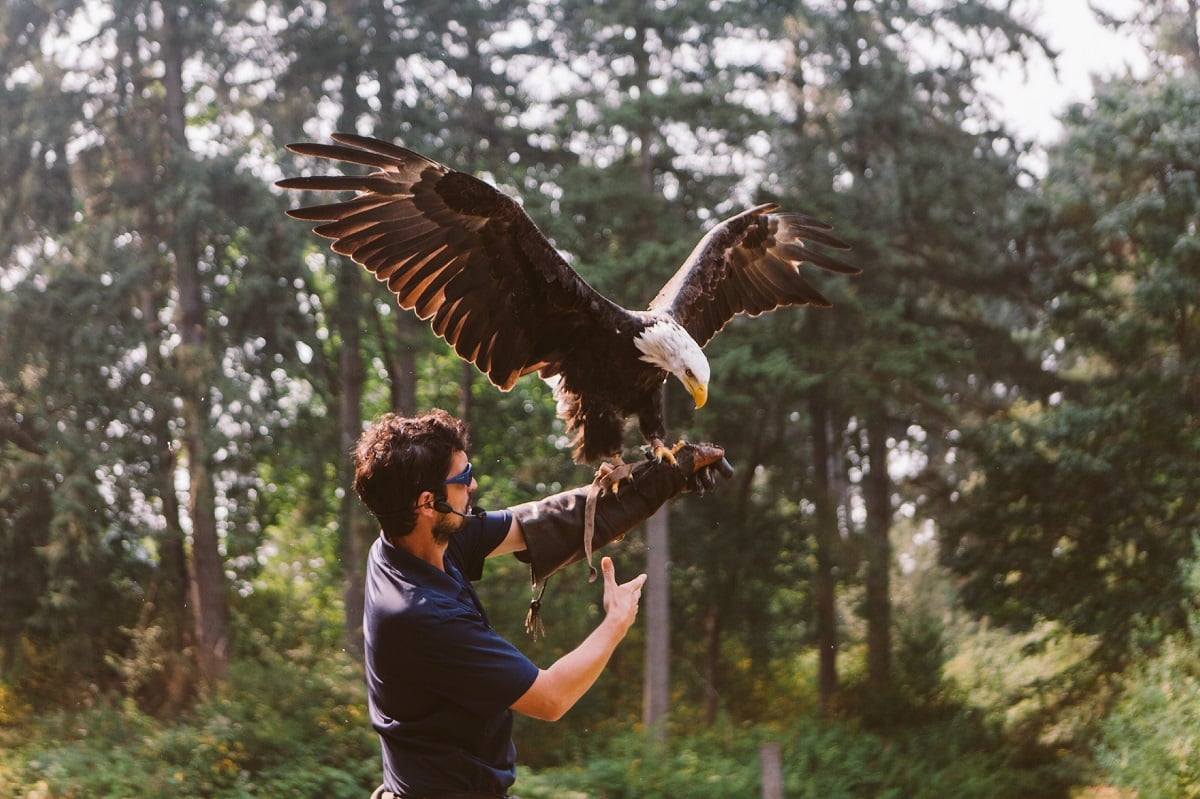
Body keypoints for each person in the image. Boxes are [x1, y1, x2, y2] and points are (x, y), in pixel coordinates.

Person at [354, 409, 731, 799]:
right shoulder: (423, 614)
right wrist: (615, 623)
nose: (474, 484)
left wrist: (664, 479)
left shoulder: (404, 545)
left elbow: (545, 522)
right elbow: (552, 697)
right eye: (464, 478)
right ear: (428, 503)